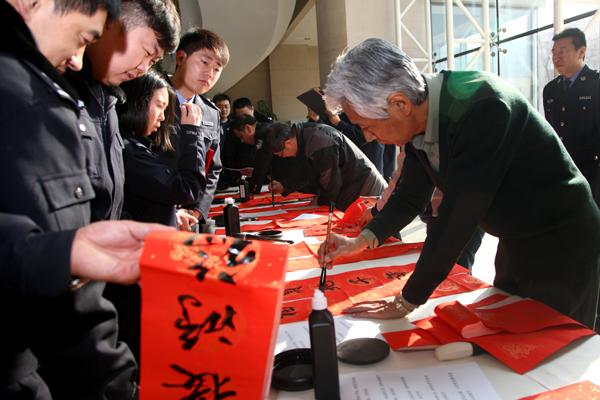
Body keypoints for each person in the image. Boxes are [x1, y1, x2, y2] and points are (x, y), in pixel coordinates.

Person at [318, 38, 600, 329]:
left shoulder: (481, 106)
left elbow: (457, 218)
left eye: (367, 126)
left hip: (563, 243)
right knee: (508, 335)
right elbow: (410, 196)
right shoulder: (420, 116)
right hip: (515, 240)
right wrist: (359, 241)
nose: (368, 137)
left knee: (558, 342)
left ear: (399, 103)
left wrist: (407, 300)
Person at [0, 0, 172, 397]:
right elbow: (66, 309)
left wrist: (62, 251)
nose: (77, 61)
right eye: (83, 38)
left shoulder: (101, 102)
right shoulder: (26, 93)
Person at [65, 0, 181, 223]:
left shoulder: (109, 105)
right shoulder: (66, 93)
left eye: (153, 61)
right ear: (109, 23)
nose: (143, 69)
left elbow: (110, 204)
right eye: (146, 52)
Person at [154, 27, 229, 227]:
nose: (209, 74)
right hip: (154, 214)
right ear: (180, 58)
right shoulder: (151, 98)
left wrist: (196, 211)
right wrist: (171, 212)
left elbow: (212, 168)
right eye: (204, 62)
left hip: (189, 220)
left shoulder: (211, 113)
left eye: (217, 69)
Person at [119, 68, 206, 229]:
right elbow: (188, 188)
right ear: (138, 103)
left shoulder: (133, 147)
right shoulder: (130, 153)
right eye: (159, 106)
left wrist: (171, 213)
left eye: (165, 110)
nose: (162, 117)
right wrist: (192, 133)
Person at [264, 122, 387, 211]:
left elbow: (332, 180)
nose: (283, 157)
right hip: (353, 186)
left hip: (365, 188)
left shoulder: (319, 140)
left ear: (289, 143)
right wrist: (284, 186)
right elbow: (308, 173)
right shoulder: (303, 138)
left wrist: (321, 201)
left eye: (281, 154)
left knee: (375, 234)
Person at [543, 27, 600, 205]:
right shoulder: (551, 89)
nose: (556, 58)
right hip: (562, 173)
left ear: (581, 52)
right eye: (554, 53)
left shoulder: (596, 83)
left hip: (591, 174)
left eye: (563, 52)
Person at [308, 107, 396, 181]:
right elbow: (333, 137)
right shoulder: (344, 114)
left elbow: (362, 138)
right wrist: (317, 120)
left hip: (369, 169)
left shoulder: (373, 112)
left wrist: (339, 123)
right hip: (348, 168)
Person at [231, 114, 274, 193]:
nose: (242, 141)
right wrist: (254, 171)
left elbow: (262, 165)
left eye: (241, 136)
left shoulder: (264, 134)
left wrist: (252, 191)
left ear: (248, 128)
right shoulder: (263, 130)